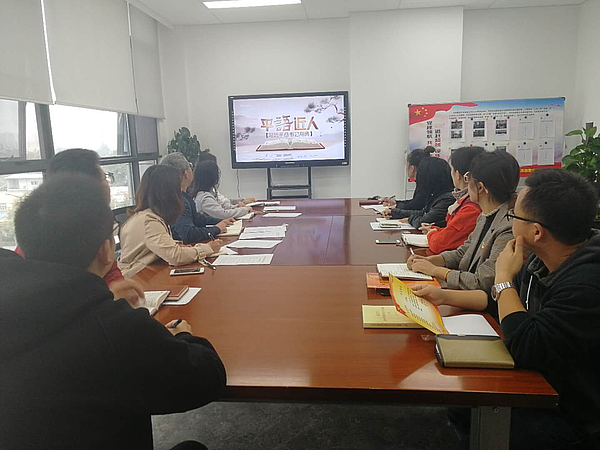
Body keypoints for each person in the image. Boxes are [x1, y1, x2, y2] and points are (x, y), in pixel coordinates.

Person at [2, 175, 226, 449]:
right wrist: (183, 336)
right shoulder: (114, 327)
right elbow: (207, 378)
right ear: (106, 251)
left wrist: (101, 296)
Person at [449, 169, 600, 449]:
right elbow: (498, 301)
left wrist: (503, 277)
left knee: (490, 416)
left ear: (537, 232)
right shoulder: (539, 260)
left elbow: (527, 347)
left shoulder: (587, 284)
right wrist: (440, 296)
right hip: (542, 381)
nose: (510, 222)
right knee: (462, 400)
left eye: (514, 216)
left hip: (573, 413)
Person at [13, 148, 144, 306]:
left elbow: (110, 269)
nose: (108, 185)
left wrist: (117, 289)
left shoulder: (92, 225)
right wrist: (105, 299)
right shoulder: (38, 245)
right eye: (105, 178)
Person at [407, 150, 520, 317]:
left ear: (480, 187)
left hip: (488, 314)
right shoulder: (485, 215)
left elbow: (482, 282)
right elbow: (463, 252)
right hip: (467, 303)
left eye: (469, 178)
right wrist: (432, 260)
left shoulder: (509, 228)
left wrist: (436, 270)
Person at [118, 165, 222, 278]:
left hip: (146, 276)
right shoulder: (149, 221)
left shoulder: (148, 216)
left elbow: (164, 249)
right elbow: (175, 256)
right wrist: (208, 248)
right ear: (170, 194)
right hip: (137, 280)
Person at [160, 152, 234, 244]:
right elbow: (188, 234)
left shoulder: (180, 195)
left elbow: (197, 218)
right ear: (186, 173)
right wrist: (216, 229)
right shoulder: (178, 200)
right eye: (190, 166)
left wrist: (221, 221)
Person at [421, 146, 484, 254]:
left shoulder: (471, 208)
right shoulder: (463, 201)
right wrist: (436, 229)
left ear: (458, 174)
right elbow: (452, 233)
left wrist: (431, 233)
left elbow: (439, 244)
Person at [384, 156, 455, 229]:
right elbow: (422, 212)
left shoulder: (446, 199)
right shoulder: (436, 195)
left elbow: (423, 221)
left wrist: (410, 219)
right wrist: (395, 213)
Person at [381, 146, 435, 210]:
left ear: (412, 168)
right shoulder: (424, 180)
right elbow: (415, 202)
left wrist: (396, 207)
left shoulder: (424, 184)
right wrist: (396, 203)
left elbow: (416, 206)